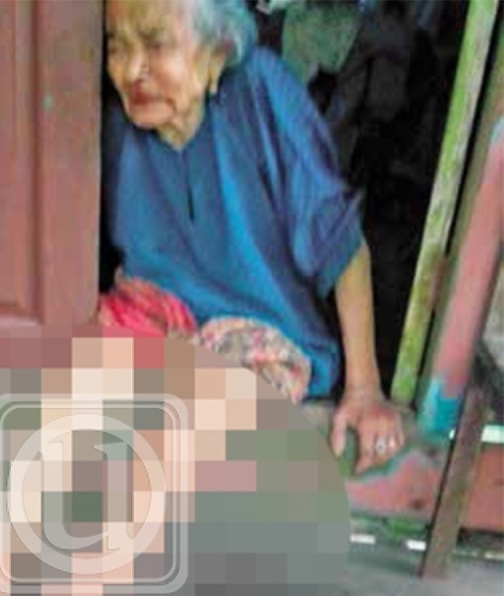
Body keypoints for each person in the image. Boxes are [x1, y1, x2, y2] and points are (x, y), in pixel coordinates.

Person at [98, 0, 405, 473]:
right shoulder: (117, 126)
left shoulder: (260, 92)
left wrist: (364, 390)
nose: (131, 70)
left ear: (218, 52)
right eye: (117, 47)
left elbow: (340, 243)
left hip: (266, 343)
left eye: (156, 44)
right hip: (163, 329)